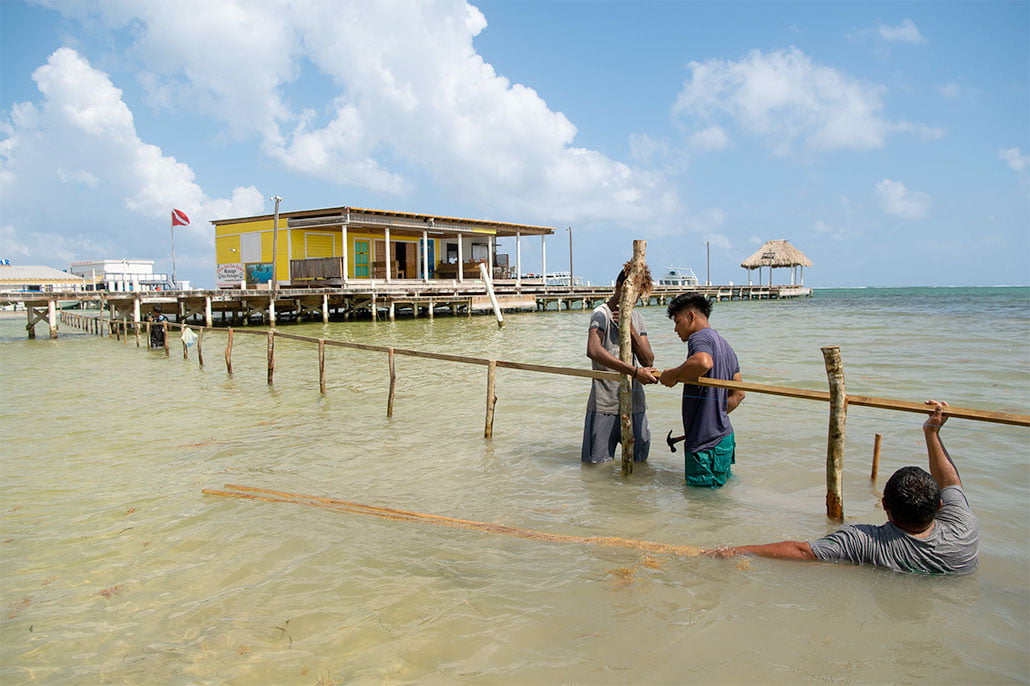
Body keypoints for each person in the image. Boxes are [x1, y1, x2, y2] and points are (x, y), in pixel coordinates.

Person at [708, 401, 980, 575]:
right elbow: (951, 481)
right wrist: (932, 432)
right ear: (941, 506)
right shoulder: (963, 526)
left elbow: (803, 551)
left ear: (885, 506)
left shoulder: (867, 542)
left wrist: (739, 550)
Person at [659, 293, 745, 487]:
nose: (675, 329)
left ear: (691, 316)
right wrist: (714, 416)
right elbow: (739, 393)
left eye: (677, 321)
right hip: (724, 439)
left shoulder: (699, 338)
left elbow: (703, 362)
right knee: (717, 503)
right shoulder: (726, 346)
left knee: (700, 506)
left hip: (705, 446)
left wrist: (673, 375)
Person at [581, 262, 659, 464]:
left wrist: (631, 329)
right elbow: (594, 350)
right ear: (619, 288)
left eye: (637, 298)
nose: (633, 302)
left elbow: (648, 359)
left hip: (635, 403)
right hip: (605, 403)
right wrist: (634, 371)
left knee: (640, 463)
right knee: (596, 466)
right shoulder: (602, 314)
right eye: (631, 295)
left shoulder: (637, 317)